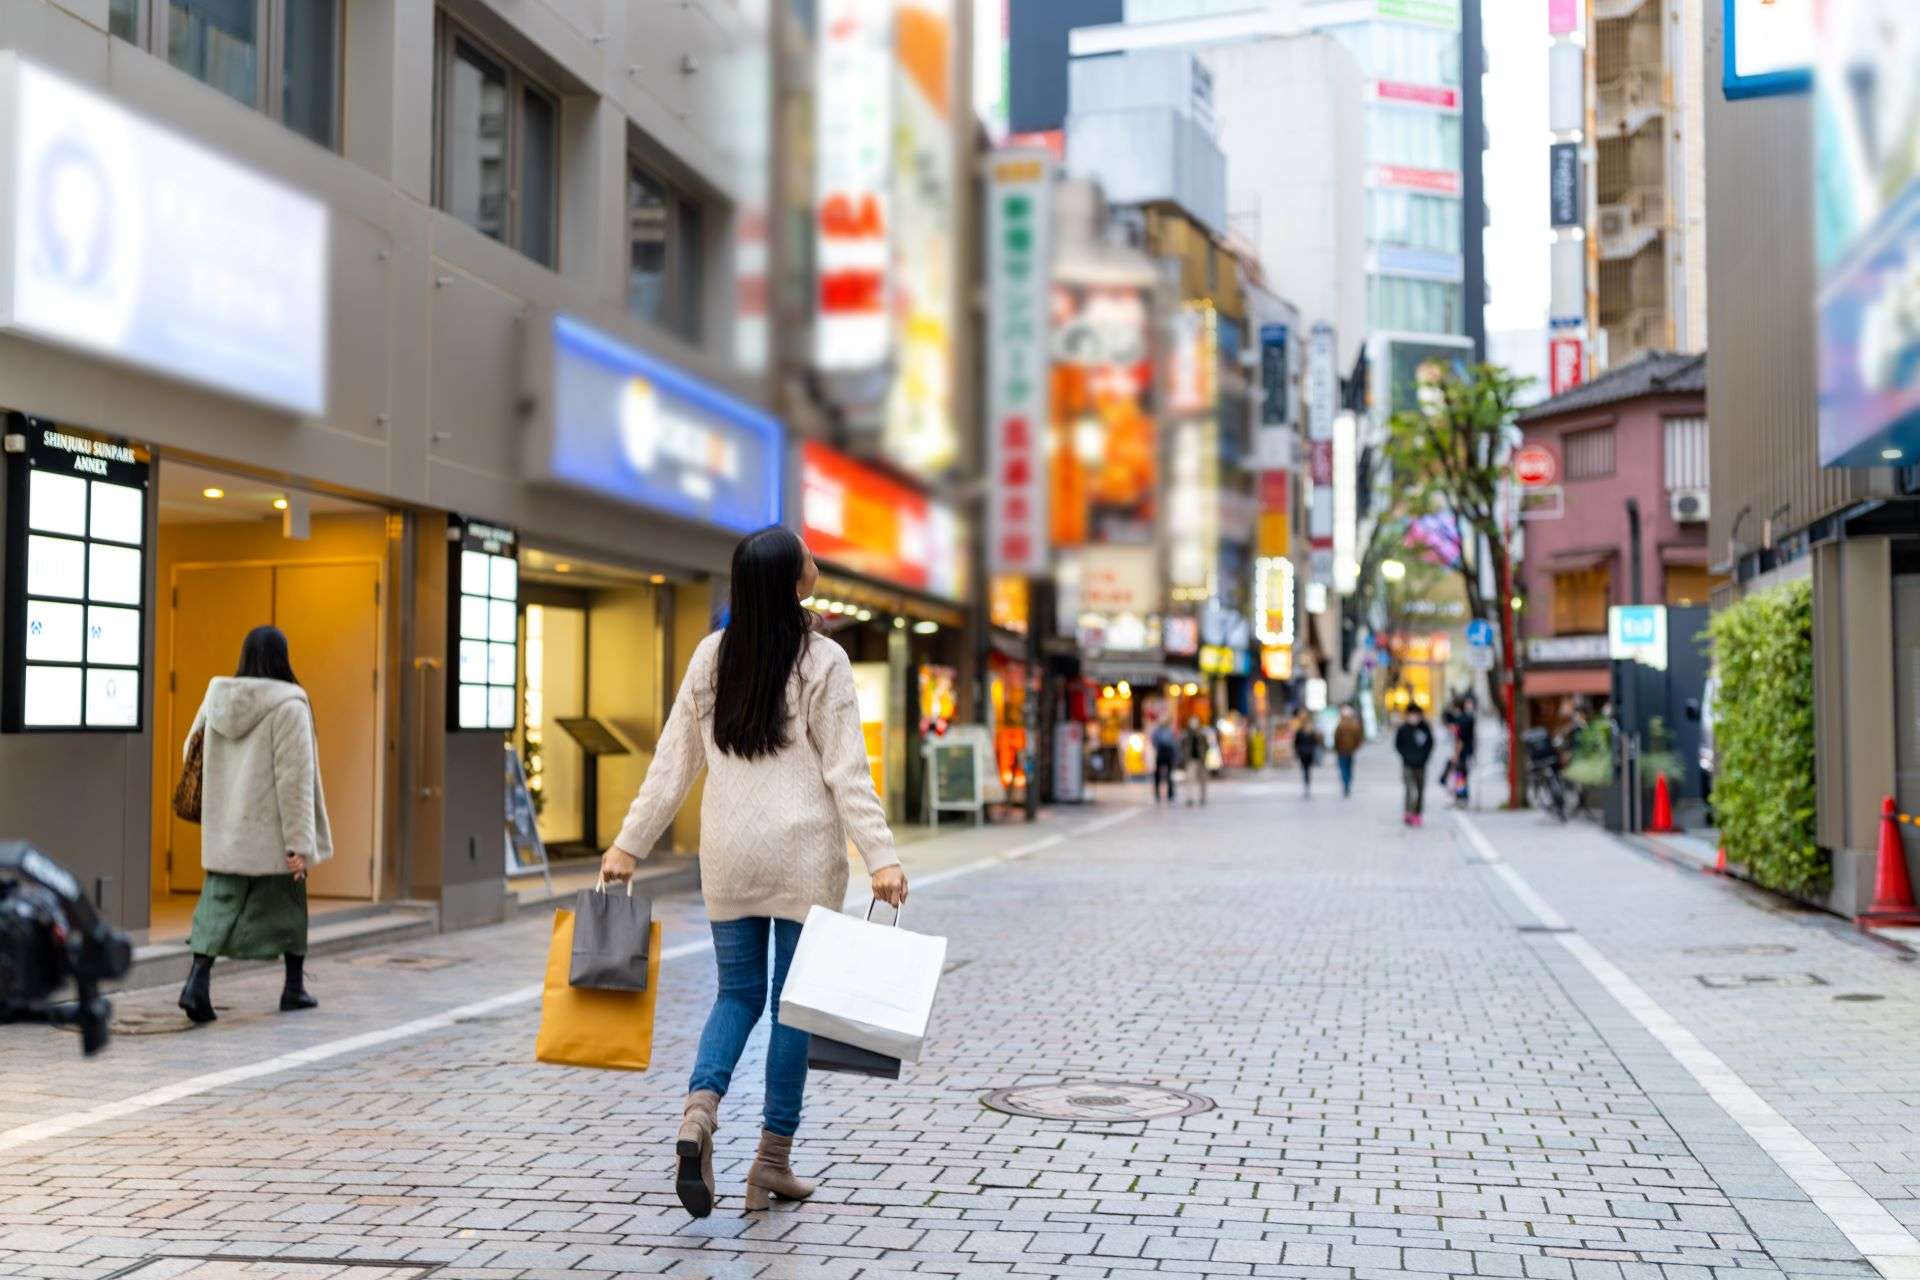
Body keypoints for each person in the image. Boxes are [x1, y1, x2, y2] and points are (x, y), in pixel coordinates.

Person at [599, 526, 908, 1220]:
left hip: (730, 856)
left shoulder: (713, 656)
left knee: (734, 996)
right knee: (792, 1008)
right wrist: (881, 857)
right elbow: (847, 772)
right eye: (806, 554)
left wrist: (629, 845)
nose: (815, 560)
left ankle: (698, 1115)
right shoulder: (823, 660)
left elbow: (673, 763)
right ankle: (771, 1162)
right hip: (802, 858)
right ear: (790, 578)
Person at [177, 626, 330, 1025]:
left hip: (226, 828)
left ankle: (197, 981)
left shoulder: (218, 698)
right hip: (271, 832)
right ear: (283, 657)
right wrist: (299, 842)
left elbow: (189, 751)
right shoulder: (290, 706)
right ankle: (293, 988)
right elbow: (294, 780)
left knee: (217, 903)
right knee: (290, 905)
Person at [1395, 704, 1437, 826]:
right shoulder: (1403, 729)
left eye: (1416, 715)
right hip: (1407, 764)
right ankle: (1408, 812)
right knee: (1409, 788)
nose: (1413, 717)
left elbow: (1430, 744)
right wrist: (1405, 756)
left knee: (1420, 790)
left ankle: (1417, 813)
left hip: (1421, 764)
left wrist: (1425, 757)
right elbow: (1398, 745)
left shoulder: (1424, 728)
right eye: (1411, 715)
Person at [1332, 706, 1364, 798]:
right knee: (1349, 768)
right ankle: (1347, 783)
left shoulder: (1340, 725)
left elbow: (1336, 738)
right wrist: (1356, 747)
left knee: (1343, 768)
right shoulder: (1354, 725)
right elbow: (1358, 738)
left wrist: (1336, 748)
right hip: (1350, 750)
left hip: (1341, 750)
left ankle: (1345, 784)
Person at [1181, 716, 1210, 807]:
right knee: (1189, 779)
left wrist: (1204, 756)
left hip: (1201, 760)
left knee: (1203, 779)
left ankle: (1203, 797)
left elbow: (1207, 746)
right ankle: (1189, 798)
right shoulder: (1186, 734)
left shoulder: (1202, 734)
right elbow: (1182, 745)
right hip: (1190, 760)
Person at [1293, 715, 1323, 796]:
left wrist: (1297, 751)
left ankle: (1306, 782)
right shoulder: (1311, 731)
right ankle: (1307, 782)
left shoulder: (1300, 731)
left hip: (1303, 753)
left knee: (1305, 769)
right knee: (1307, 769)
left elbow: (1296, 743)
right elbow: (1315, 742)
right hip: (1309, 753)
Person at [1150, 719, 1179, 803]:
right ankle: (1158, 795)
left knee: (1168, 775)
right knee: (1159, 775)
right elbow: (1154, 741)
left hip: (1167, 754)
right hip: (1162, 754)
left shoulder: (1169, 731)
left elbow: (1174, 743)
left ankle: (1170, 794)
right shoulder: (1160, 731)